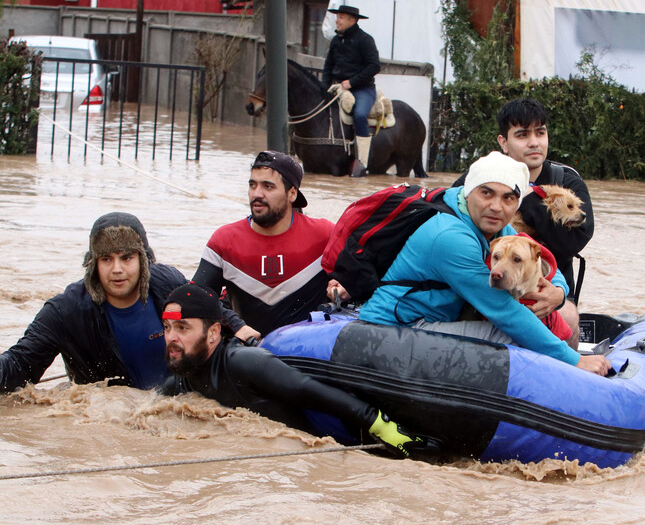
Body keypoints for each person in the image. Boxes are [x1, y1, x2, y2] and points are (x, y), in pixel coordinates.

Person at [358, 151, 611, 376]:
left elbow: (541, 259)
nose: (496, 207)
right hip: (397, 328)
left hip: (433, 321)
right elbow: (503, 311)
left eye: (508, 198)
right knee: (511, 334)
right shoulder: (451, 237)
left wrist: (558, 292)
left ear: (517, 204)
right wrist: (574, 360)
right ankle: (562, 385)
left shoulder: (494, 225)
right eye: (486, 193)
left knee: (556, 316)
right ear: (470, 192)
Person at [158, 284, 425, 458]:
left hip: (347, 443)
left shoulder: (243, 363)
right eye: (168, 328)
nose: (172, 338)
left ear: (214, 332)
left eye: (183, 328)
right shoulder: (180, 385)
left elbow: (306, 389)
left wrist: (379, 425)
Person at [0, 212, 250, 392]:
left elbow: (211, 310)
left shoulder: (168, 285)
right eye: (106, 259)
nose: (117, 269)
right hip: (112, 420)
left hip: (179, 405)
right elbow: (20, 364)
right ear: (93, 264)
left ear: (144, 261)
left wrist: (241, 328)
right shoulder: (67, 310)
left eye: (127, 258)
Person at [454, 98, 594, 339]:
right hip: (484, 281)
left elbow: (573, 243)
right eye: (522, 135)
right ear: (503, 142)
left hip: (548, 286)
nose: (534, 143)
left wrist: (531, 202)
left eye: (540, 133)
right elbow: (454, 231)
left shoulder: (568, 182)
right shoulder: (479, 176)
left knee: (568, 318)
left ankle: (570, 370)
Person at [192, 151, 334, 337]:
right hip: (247, 353)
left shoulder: (325, 235)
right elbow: (195, 298)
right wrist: (236, 325)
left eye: (268, 187)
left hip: (308, 351)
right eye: (253, 185)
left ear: (292, 193)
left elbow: (362, 278)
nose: (257, 194)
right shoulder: (224, 241)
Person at [322, 4, 381, 178]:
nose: (337, 20)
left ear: (352, 20)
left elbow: (374, 66)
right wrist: (324, 87)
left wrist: (352, 82)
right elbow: (328, 66)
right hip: (338, 88)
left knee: (360, 115)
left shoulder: (365, 40)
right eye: (337, 16)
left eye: (341, 17)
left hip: (363, 89)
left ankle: (362, 163)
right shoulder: (335, 40)